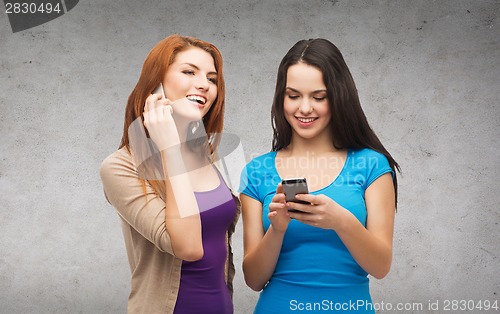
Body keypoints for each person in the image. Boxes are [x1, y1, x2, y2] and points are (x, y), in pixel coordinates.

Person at [239, 38, 400, 313]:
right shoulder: (257, 171)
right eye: (293, 96)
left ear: (338, 97)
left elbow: (380, 266)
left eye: (318, 97)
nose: (304, 108)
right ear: (282, 97)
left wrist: (340, 221)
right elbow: (254, 280)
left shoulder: (371, 165)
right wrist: (276, 230)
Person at [99, 34, 240, 314]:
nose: (204, 84)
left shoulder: (213, 159)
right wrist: (170, 148)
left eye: (212, 79)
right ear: (156, 84)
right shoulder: (120, 167)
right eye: (189, 71)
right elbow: (189, 247)